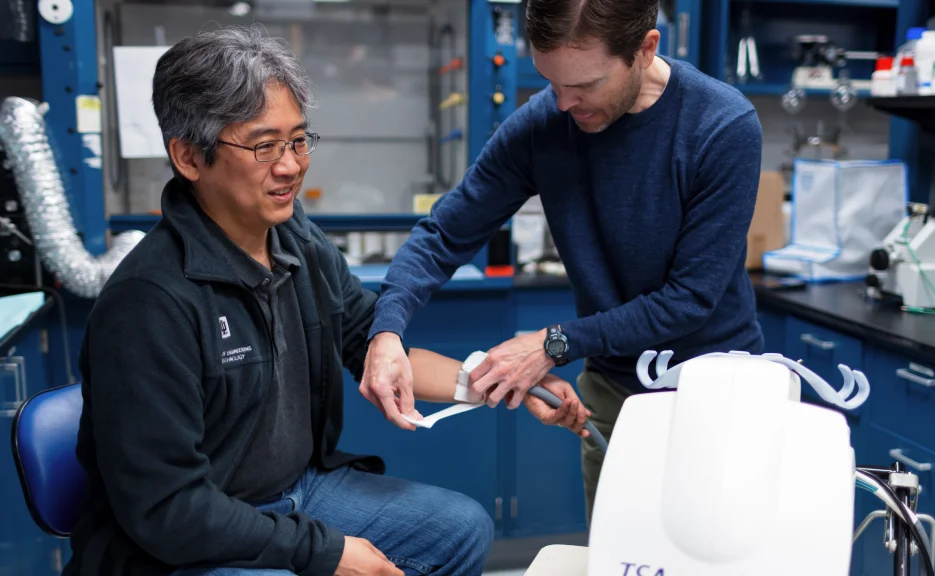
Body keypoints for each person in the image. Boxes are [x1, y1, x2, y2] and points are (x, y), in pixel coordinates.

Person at [65, 25, 592, 576]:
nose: (290, 165)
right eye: (264, 146)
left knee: (457, 528)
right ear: (189, 158)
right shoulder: (150, 303)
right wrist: (328, 551)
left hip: (298, 490)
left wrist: (500, 380)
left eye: (298, 140)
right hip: (191, 530)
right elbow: (168, 509)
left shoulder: (296, 240)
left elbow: (374, 347)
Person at [360, 0, 764, 524]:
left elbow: (689, 300)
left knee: (718, 549)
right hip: (613, 392)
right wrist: (386, 330)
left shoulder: (722, 126)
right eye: (550, 82)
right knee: (619, 553)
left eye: (586, 85)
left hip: (718, 395)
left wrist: (554, 344)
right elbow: (443, 234)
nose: (563, 103)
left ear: (645, 48)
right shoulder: (544, 124)